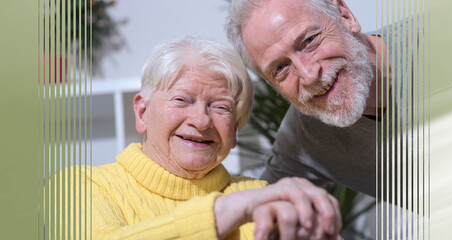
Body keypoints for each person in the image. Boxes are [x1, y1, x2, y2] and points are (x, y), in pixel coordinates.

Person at [61, 37, 342, 240]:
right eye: (182, 100)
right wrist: (224, 212)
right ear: (142, 112)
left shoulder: (260, 195)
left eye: (220, 107)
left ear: (235, 131)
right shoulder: (81, 187)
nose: (201, 120)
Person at [226, 0, 406, 197]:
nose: (309, 75)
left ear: (345, 16)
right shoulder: (304, 135)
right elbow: (261, 204)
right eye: (280, 68)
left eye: (310, 41)